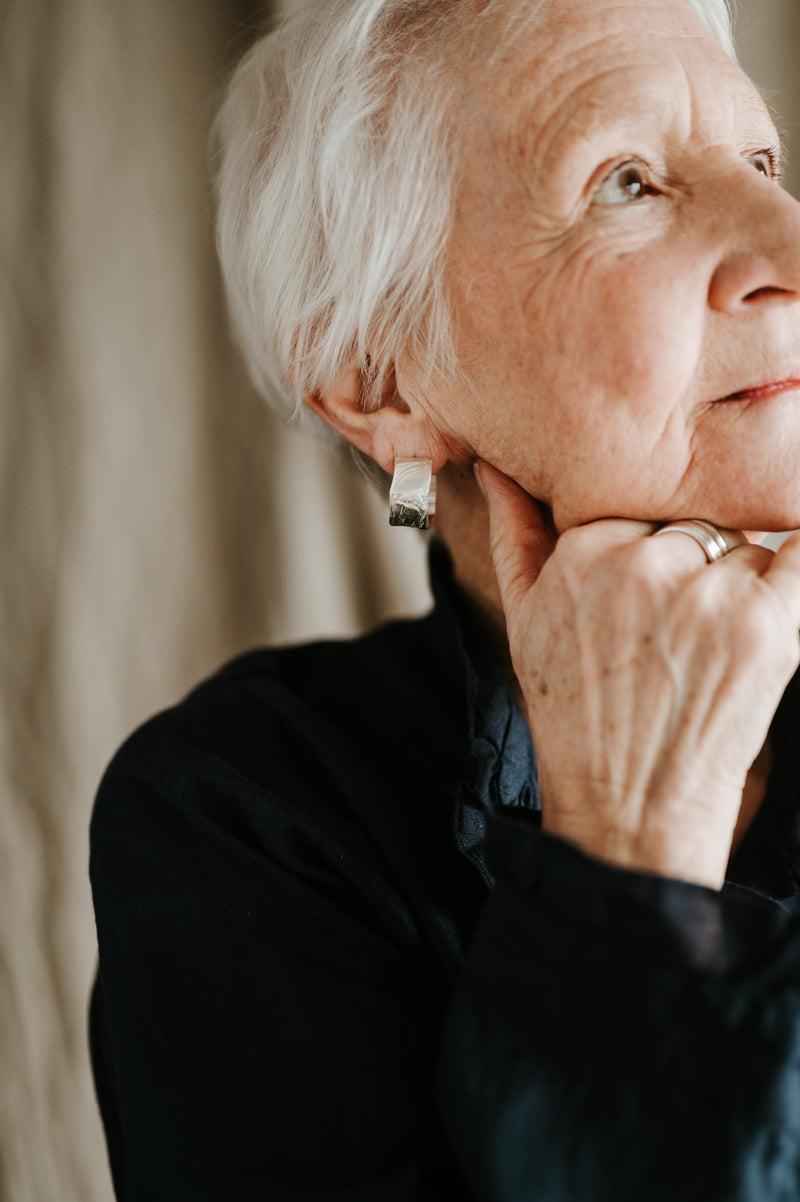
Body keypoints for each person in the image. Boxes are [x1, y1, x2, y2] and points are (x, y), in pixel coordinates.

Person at [88, 0, 800, 1198]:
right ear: (380, 377)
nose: (783, 243)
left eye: (762, 161)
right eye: (624, 182)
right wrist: (632, 850)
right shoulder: (248, 814)